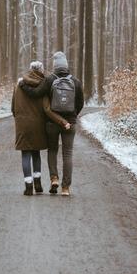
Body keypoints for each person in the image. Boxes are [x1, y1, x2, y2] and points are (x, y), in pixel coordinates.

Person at [19, 51, 84, 196]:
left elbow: (35, 93)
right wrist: (72, 117)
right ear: (66, 65)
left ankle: (54, 178)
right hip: (70, 123)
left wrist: (23, 85)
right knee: (67, 154)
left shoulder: (49, 80)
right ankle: (65, 187)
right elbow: (80, 103)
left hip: (51, 123)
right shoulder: (76, 81)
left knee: (52, 151)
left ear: (55, 66)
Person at [11, 61, 71, 196]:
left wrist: (19, 118)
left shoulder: (18, 85)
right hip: (38, 125)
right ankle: (38, 184)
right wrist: (62, 121)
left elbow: (13, 107)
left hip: (22, 125)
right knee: (36, 153)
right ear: (41, 70)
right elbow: (47, 109)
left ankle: (28, 185)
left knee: (25, 154)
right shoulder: (43, 85)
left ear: (30, 69)